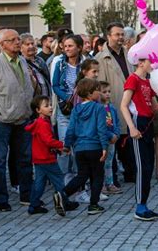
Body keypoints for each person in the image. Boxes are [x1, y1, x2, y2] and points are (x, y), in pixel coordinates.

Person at [0, 29, 34, 211]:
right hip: (1, 120)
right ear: (2, 45)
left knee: (25, 159)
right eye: (12, 40)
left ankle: (27, 195)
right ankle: (0, 199)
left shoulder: (23, 61)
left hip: (22, 118)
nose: (17, 42)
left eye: (18, 39)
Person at [121, 58, 158, 221]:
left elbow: (154, 106)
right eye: (150, 62)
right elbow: (124, 105)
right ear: (141, 63)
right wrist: (132, 128)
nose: (154, 66)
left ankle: (144, 205)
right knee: (142, 167)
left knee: (148, 165)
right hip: (137, 123)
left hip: (148, 124)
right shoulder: (133, 79)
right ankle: (140, 207)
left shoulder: (148, 81)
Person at [25, 95, 79, 215]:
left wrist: (57, 149)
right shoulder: (43, 124)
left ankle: (34, 205)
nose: (50, 107)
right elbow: (48, 141)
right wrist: (62, 145)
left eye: (50, 105)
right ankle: (64, 202)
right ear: (38, 110)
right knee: (59, 180)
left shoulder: (39, 122)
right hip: (46, 158)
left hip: (39, 158)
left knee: (39, 182)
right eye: (46, 106)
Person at [51, 34, 89, 203]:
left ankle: (80, 186)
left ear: (79, 47)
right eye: (65, 46)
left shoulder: (85, 64)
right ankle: (63, 186)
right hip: (65, 111)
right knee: (65, 145)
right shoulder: (60, 64)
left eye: (70, 46)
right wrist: (67, 97)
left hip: (82, 110)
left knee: (80, 148)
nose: (67, 49)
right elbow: (55, 85)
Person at [96, 22, 135, 185]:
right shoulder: (101, 58)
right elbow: (100, 86)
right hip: (112, 106)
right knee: (113, 141)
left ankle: (131, 173)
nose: (120, 38)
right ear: (108, 36)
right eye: (116, 34)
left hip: (130, 104)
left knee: (128, 142)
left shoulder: (130, 54)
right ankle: (111, 179)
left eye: (122, 34)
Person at [63, 78, 109, 215]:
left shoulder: (76, 109)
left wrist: (67, 144)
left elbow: (71, 128)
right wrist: (104, 147)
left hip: (80, 148)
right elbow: (101, 129)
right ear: (90, 93)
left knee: (82, 175)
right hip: (94, 147)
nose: (99, 93)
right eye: (97, 91)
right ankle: (93, 205)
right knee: (97, 175)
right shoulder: (99, 108)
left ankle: (63, 193)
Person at [98, 81, 122, 195]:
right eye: (104, 92)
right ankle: (101, 184)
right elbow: (101, 126)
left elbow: (117, 121)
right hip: (103, 139)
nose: (107, 94)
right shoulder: (98, 108)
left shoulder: (111, 107)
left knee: (110, 162)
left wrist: (117, 134)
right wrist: (110, 135)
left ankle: (110, 183)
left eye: (109, 91)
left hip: (112, 139)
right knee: (101, 162)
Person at [20, 33, 52, 98]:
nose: (31, 46)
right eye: (27, 44)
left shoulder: (40, 60)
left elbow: (48, 80)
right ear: (21, 48)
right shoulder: (20, 63)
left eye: (32, 43)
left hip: (46, 99)